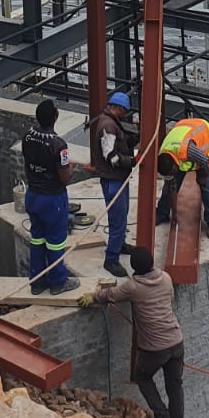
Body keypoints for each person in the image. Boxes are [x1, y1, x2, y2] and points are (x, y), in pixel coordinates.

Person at [85, 245, 186, 418]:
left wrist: (92, 297)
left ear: (133, 267)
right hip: (176, 341)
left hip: (154, 349)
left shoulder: (133, 287)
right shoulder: (166, 278)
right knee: (175, 385)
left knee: (142, 377)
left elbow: (110, 295)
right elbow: (169, 299)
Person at [21, 99, 80, 295]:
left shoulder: (27, 137)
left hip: (33, 195)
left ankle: (37, 282)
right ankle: (58, 282)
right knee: (55, 242)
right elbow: (64, 178)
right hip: (52, 199)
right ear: (56, 116)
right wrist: (70, 167)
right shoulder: (59, 145)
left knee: (37, 238)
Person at [90, 88, 137, 277]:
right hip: (113, 179)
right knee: (117, 220)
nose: (125, 115)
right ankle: (111, 260)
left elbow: (120, 144)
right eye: (124, 111)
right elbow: (111, 156)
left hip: (118, 178)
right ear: (119, 108)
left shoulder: (112, 122)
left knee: (121, 215)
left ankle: (119, 244)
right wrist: (132, 161)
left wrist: (135, 139)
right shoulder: (108, 126)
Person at [156, 115, 209, 240]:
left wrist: (202, 176)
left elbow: (205, 161)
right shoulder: (164, 153)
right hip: (185, 130)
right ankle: (162, 212)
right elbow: (172, 186)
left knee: (207, 186)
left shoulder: (188, 151)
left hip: (205, 135)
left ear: (174, 165)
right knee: (168, 186)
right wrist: (174, 214)